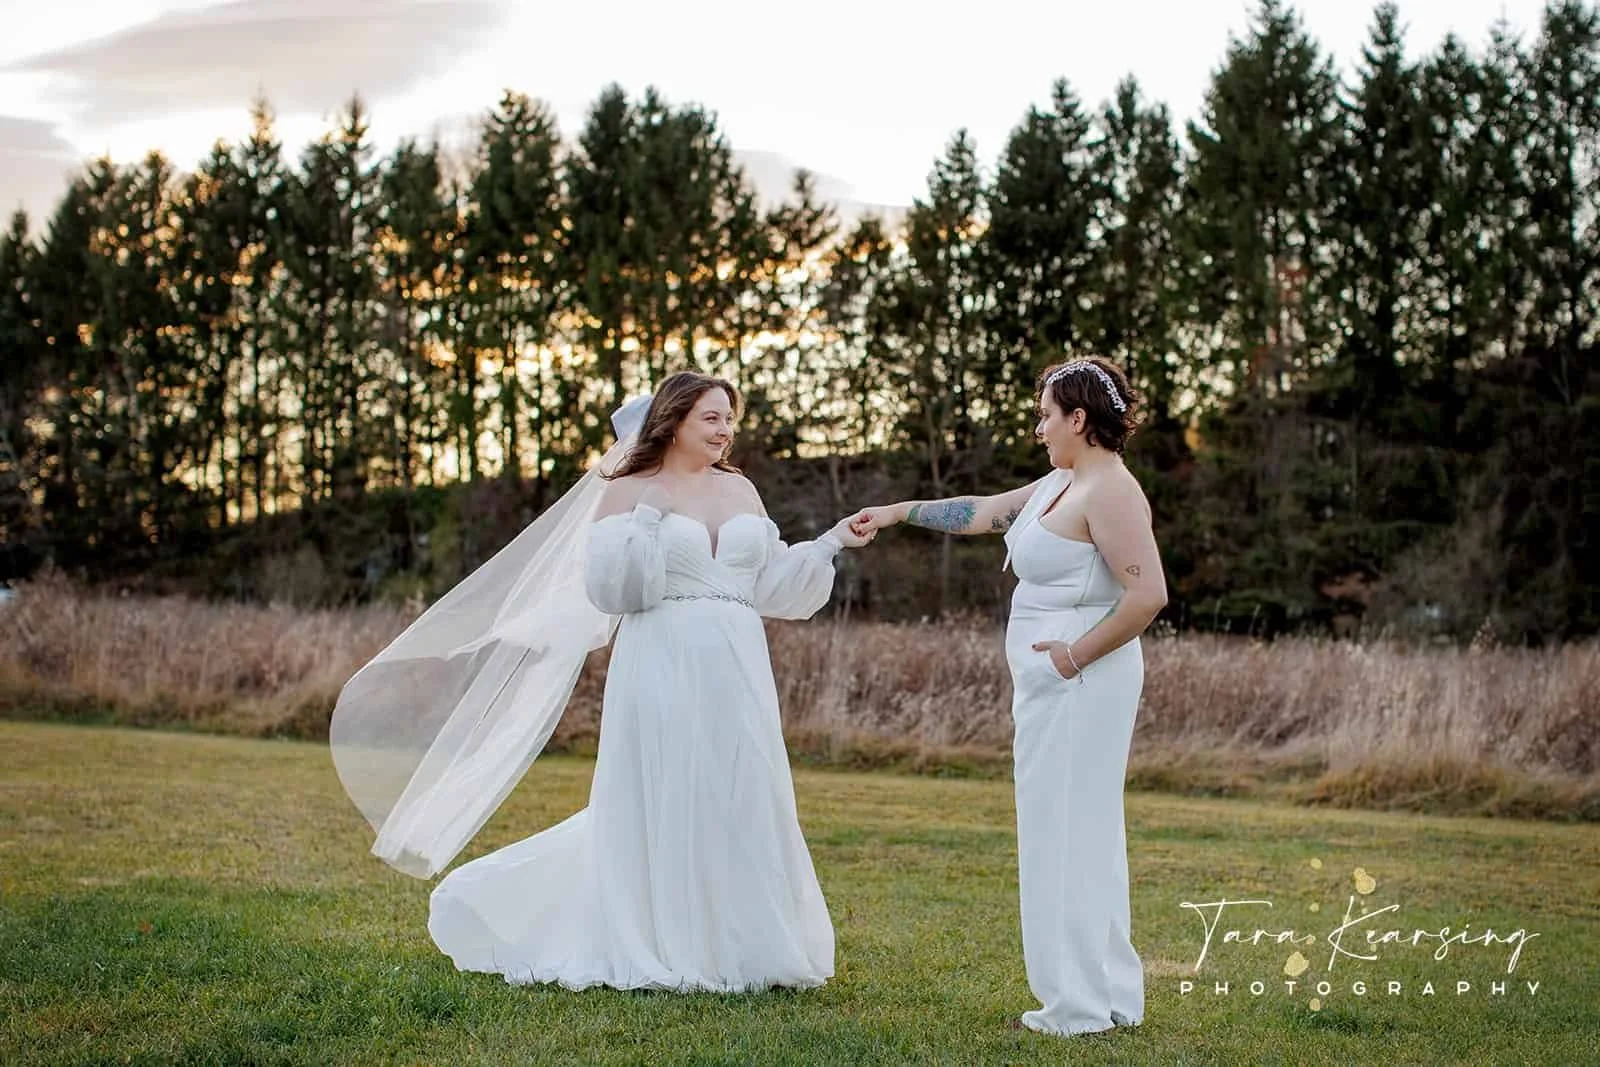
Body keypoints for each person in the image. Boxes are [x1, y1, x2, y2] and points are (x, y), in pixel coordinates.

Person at [330, 371, 873, 993]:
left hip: (738, 661)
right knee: (669, 786)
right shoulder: (627, 491)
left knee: (740, 787)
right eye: (712, 418)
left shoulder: (742, 489)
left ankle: (744, 947)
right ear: (673, 421)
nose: (725, 431)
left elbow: (769, 583)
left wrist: (832, 543)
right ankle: (662, 940)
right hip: (662, 654)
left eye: (729, 418)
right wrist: (644, 526)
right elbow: (615, 591)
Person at [848, 356, 1166, 1036]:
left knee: (1069, 833)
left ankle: (1078, 1004)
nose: (1039, 426)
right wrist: (898, 511)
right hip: (1053, 686)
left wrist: (1072, 658)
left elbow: (1148, 595)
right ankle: (1106, 993)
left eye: (1047, 414)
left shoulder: (1109, 491)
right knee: (1073, 828)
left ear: (1079, 418)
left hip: (1081, 681)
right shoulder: (1063, 480)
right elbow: (985, 514)